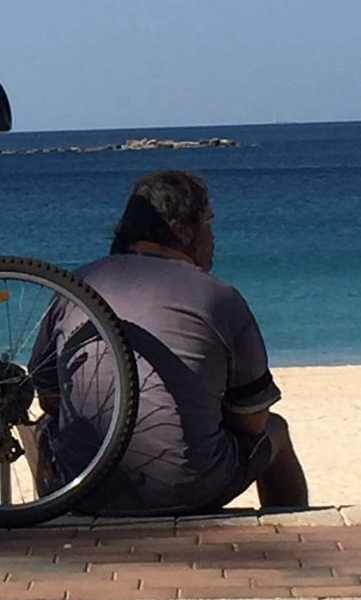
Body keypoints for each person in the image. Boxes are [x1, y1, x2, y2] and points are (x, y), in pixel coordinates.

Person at [30, 170, 308, 516]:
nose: (214, 237)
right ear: (186, 228)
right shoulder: (219, 296)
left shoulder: (77, 284)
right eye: (209, 222)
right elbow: (252, 421)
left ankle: (54, 522)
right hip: (188, 490)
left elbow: (48, 396)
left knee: (43, 429)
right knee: (274, 430)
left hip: (83, 487)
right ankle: (290, 528)